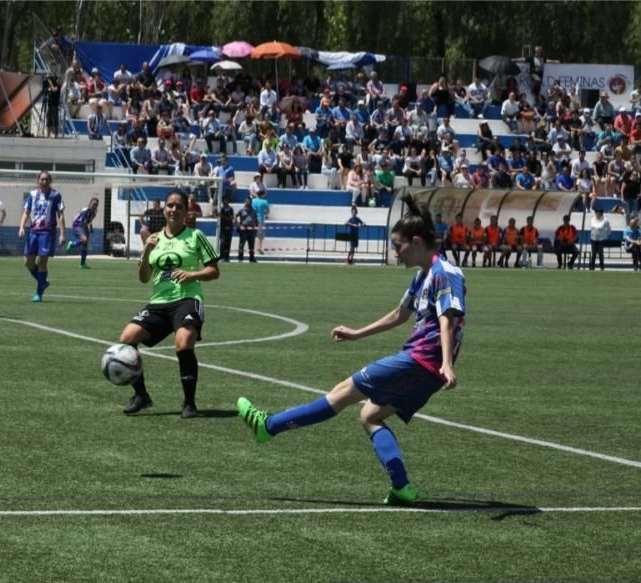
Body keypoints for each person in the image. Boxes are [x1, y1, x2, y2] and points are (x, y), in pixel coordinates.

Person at [236, 194, 464, 505]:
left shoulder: (444, 273)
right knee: (370, 415)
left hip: (421, 362)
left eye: (398, 245)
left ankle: (268, 426)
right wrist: (357, 334)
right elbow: (400, 314)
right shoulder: (422, 275)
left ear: (416, 241)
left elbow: (447, 319)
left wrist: (447, 363)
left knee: (343, 392)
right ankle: (402, 488)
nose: (395, 252)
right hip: (426, 369)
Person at [116, 190, 220, 419]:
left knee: (183, 344)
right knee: (126, 341)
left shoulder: (195, 236)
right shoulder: (154, 239)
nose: (173, 209)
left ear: (186, 212)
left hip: (187, 298)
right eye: (170, 205)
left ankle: (189, 403)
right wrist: (146, 250)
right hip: (159, 302)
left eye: (179, 206)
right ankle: (141, 395)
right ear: (164, 209)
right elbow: (144, 278)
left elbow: (214, 271)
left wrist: (192, 274)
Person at [17, 171, 65, 302]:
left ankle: (38, 293)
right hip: (33, 232)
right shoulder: (32, 195)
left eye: (47, 179)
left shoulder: (56, 195)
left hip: (47, 233)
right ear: (38, 180)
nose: (44, 181)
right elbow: (26, 212)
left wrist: (62, 234)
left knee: (41, 262)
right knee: (28, 262)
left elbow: (60, 215)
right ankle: (42, 281)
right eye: (42, 179)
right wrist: (21, 227)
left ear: (50, 181)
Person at [66, 197, 98, 270]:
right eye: (94, 204)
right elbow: (82, 222)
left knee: (85, 244)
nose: (95, 206)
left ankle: (82, 264)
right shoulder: (85, 210)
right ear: (90, 204)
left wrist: (91, 227)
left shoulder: (94, 212)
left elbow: (89, 221)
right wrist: (86, 231)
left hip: (84, 225)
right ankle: (72, 244)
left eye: (96, 204)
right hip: (77, 224)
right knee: (84, 239)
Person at [236, 198, 258, 262]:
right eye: (247, 202)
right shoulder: (241, 210)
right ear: (245, 202)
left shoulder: (253, 210)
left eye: (250, 202)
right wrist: (238, 226)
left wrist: (256, 228)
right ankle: (240, 258)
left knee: (251, 245)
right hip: (244, 230)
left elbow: (256, 219)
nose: (249, 203)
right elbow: (234, 217)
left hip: (251, 230)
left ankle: (252, 258)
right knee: (241, 244)